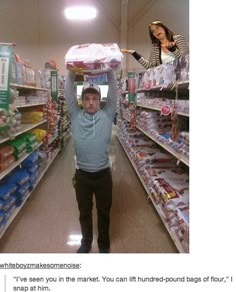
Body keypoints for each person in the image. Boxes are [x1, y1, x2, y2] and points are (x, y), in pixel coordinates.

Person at [64, 68, 118, 253]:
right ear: (81, 101)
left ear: (100, 100)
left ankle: (103, 242)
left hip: (103, 175)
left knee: (104, 212)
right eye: (86, 99)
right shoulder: (75, 115)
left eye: (94, 99)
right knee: (84, 212)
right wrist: (71, 70)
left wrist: (110, 70)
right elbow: (68, 91)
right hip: (82, 176)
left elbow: (114, 93)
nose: (90, 102)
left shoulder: (107, 115)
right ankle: (86, 242)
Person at [121, 20, 189, 68]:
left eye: (157, 28)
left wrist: (173, 49)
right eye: (153, 31)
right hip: (167, 82)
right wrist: (134, 54)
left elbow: (186, 59)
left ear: (164, 28)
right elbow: (150, 67)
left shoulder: (178, 39)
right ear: (153, 35)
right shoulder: (156, 48)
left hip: (183, 78)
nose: (156, 31)